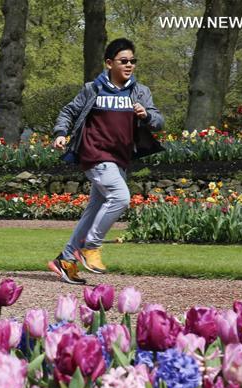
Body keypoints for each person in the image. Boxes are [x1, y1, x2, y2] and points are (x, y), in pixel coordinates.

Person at [48, 38, 164, 285]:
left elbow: (158, 121)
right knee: (121, 197)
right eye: (124, 61)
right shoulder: (94, 88)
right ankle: (91, 246)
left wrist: (146, 115)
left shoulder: (140, 92)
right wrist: (60, 133)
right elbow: (69, 111)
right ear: (109, 63)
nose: (129, 65)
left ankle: (66, 260)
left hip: (119, 158)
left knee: (93, 211)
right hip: (94, 153)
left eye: (133, 61)